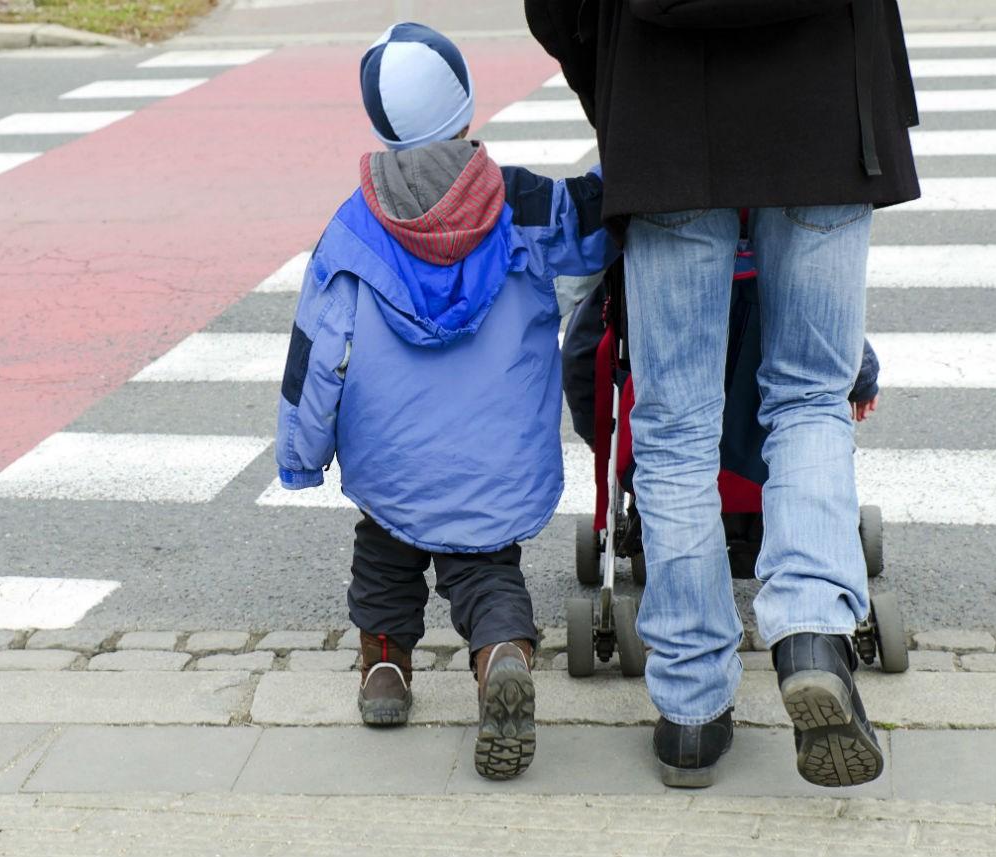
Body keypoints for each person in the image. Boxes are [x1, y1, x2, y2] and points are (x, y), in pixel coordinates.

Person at [527, 0, 919, 788]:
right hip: (824, 103)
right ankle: (811, 635)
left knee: (673, 427)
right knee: (810, 396)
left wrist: (610, 91)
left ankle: (692, 714)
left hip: (665, 109)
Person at [274, 22, 616, 781]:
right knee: (487, 565)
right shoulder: (523, 204)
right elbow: (596, 230)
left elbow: (317, 348)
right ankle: (500, 653)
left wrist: (301, 457)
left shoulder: (352, 227)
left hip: (390, 457)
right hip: (497, 460)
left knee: (385, 553)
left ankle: (385, 668)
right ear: (465, 104)